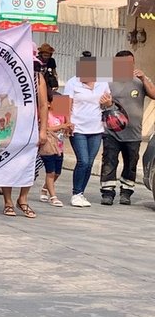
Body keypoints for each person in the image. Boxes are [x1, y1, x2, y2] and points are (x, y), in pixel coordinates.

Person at [100, 50, 155, 205]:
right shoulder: (107, 80)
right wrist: (106, 104)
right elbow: (96, 99)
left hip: (134, 133)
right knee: (109, 161)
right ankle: (107, 192)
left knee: (131, 164)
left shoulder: (140, 80)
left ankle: (126, 192)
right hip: (112, 131)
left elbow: (154, 94)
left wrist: (144, 78)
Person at [1, 48, 49, 218]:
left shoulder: (37, 78)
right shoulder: (7, 76)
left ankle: (23, 199)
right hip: (9, 127)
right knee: (8, 164)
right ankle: (8, 201)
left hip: (31, 128)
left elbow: (43, 105)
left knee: (29, 164)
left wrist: (43, 130)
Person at [63, 53, 112, 208]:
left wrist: (108, 102)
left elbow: (107, 104)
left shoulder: (103, 83)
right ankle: (76, 193)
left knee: (90, 162)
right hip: (78, 128)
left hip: (96, 129)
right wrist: (66, 123)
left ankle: (80, 193)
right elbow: (63, 106)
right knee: (82, 160)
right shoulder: (72, 82)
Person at [39, 92, 72, 207]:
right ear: (48, 104)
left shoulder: (61, 115)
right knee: (50, 172)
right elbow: (46, 128)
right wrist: (61, 127)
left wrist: (68, 129)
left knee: (57, 173)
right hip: (48, 147)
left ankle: (45, 188)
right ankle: (53, 197)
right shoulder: (46, 114)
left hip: (59, 147)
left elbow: (65, 127)